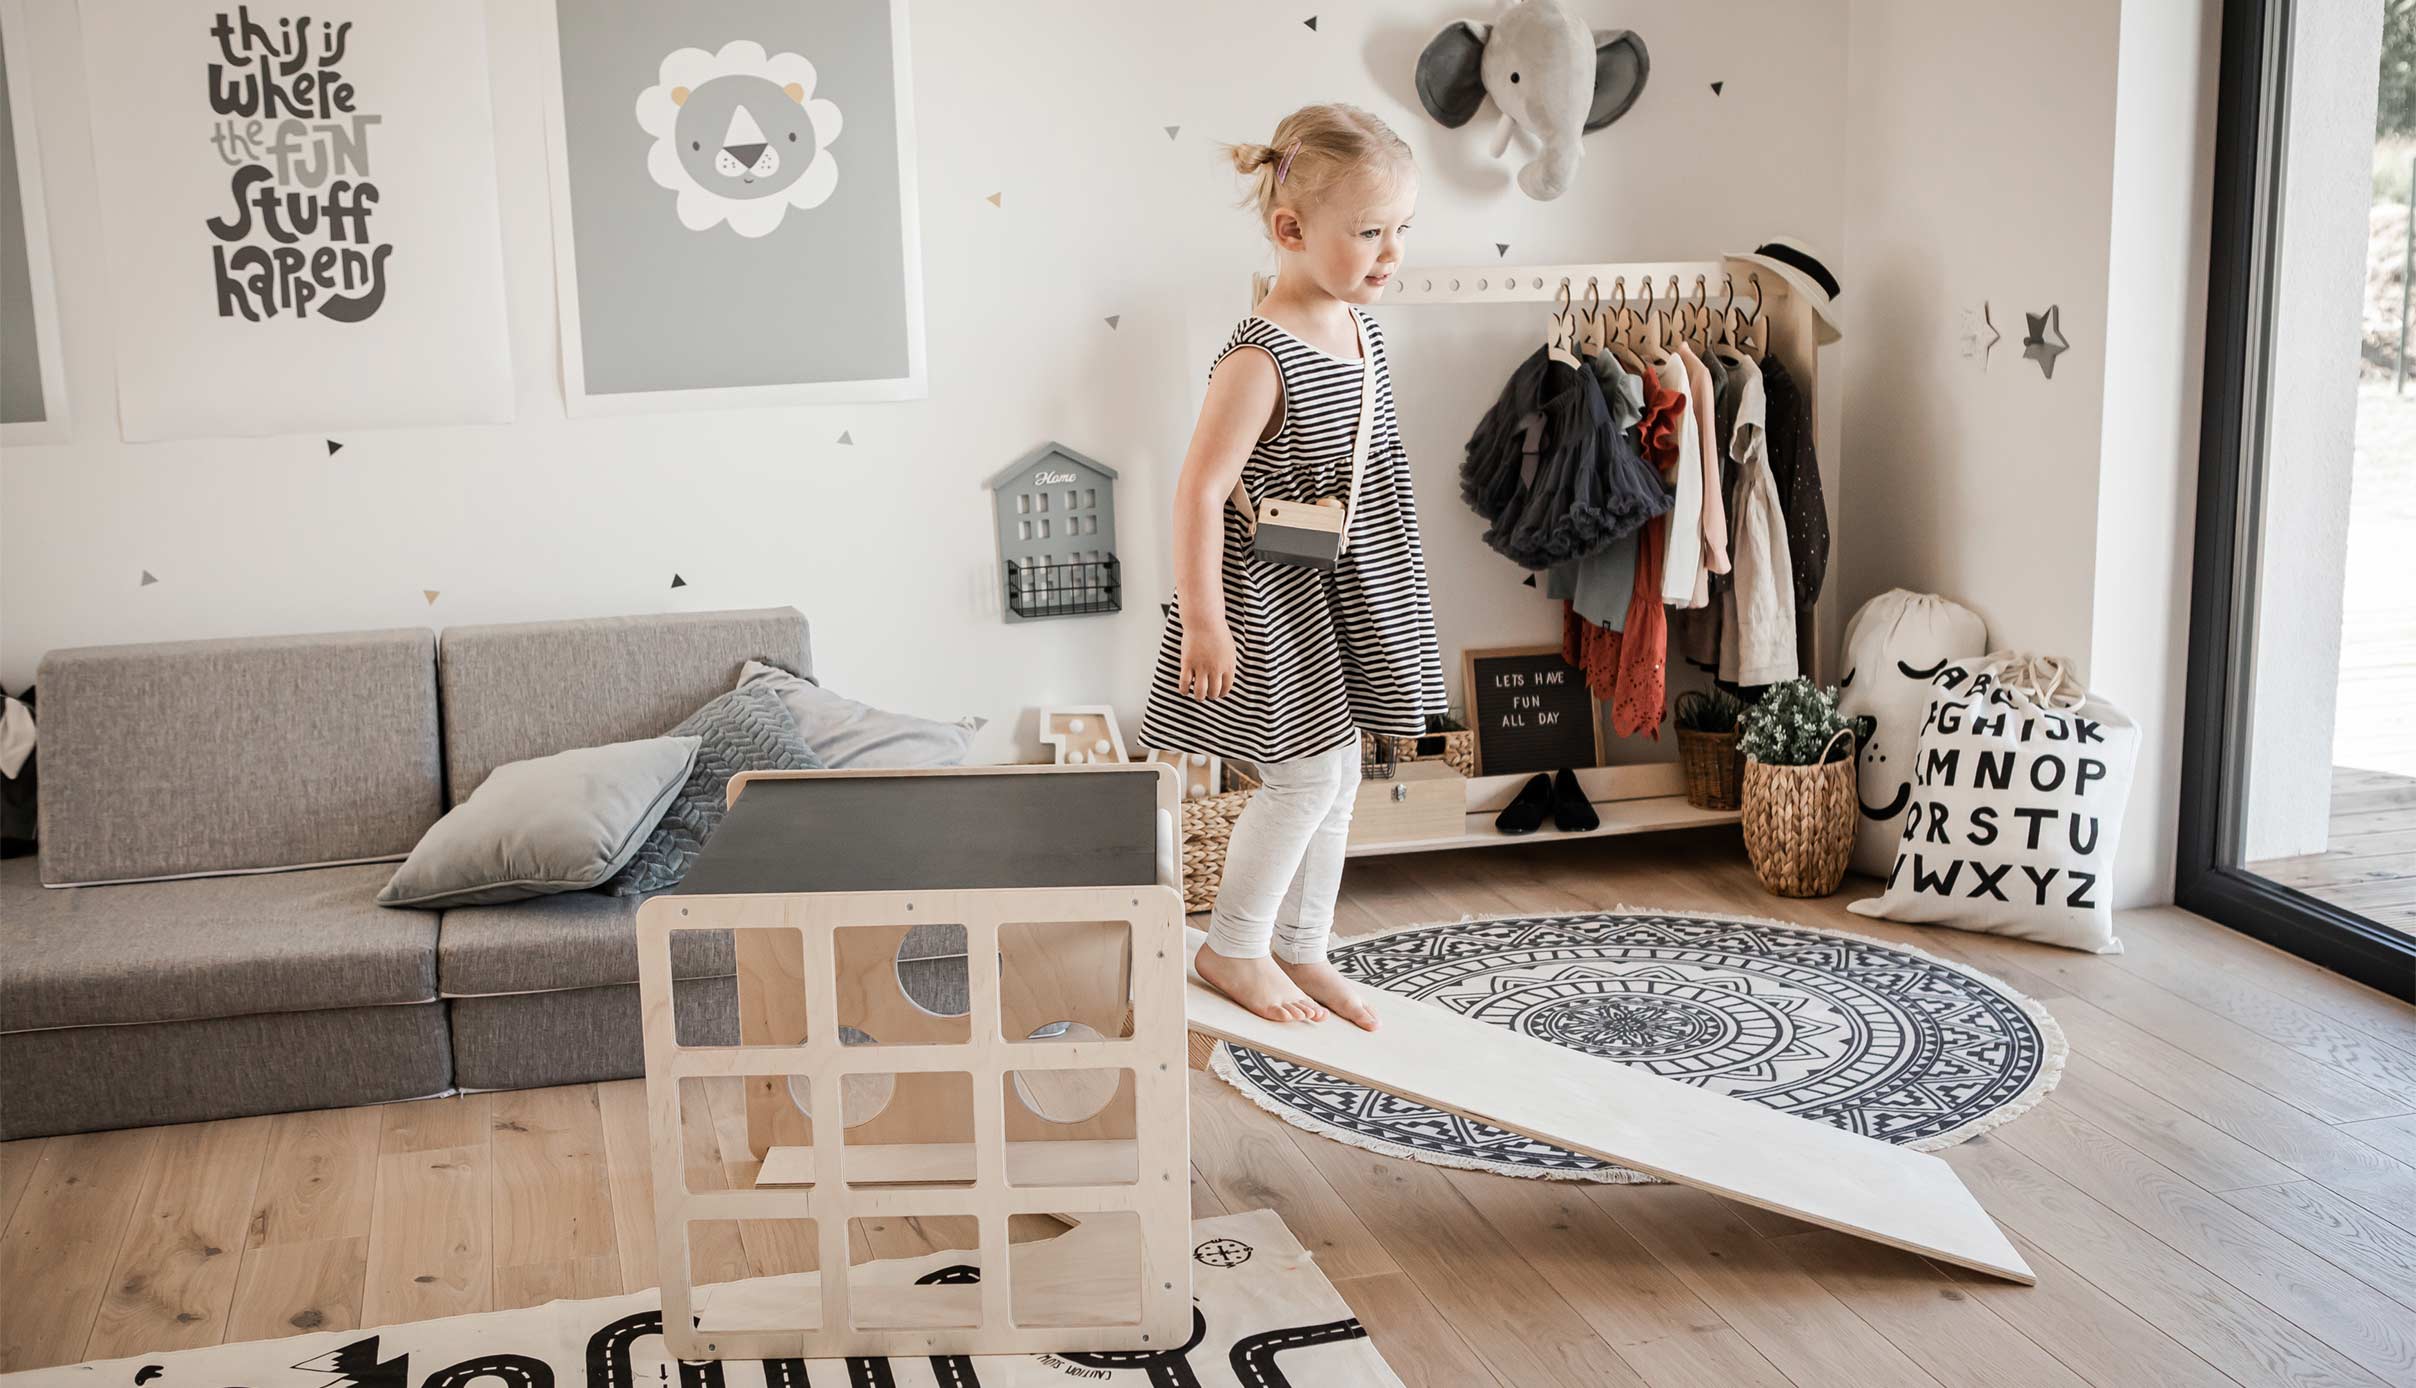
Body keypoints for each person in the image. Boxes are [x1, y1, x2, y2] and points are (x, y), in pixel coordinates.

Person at [1138, 104, 1447, 1031]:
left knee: (1343, 772)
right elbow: (1198, 491)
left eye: (1401, 231)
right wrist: (1204, 619)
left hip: (1345, 579)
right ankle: (1233, 946)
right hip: (1272, 597)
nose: (1391, 252)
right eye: (1368, 232)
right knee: (1304, 777)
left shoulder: (1361, 331)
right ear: (1290, 230)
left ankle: (1304, 944)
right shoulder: (1258, 355)